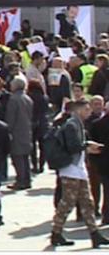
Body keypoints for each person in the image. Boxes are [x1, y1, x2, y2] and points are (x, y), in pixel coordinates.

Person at [50, 98, 109, 248]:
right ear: (79, 110)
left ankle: (94, 234)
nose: (89, 112)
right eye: (86, 109)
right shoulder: (72, 125)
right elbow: (73, 146)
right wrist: (88, 146)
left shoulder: (77, 124)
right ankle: (56, 233)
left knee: (87, 202)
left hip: (78, 168)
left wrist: (87, 145)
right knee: (67, 202)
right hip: (71, 169)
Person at [5, 76, 34, 191]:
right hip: (27, 130)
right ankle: (27, 179)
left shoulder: (13, 99)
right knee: (25, 157)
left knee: (17, 157)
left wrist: (8, 130)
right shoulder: (27, 98)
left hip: (17, 131)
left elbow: (11, 117)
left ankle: (20, 180)